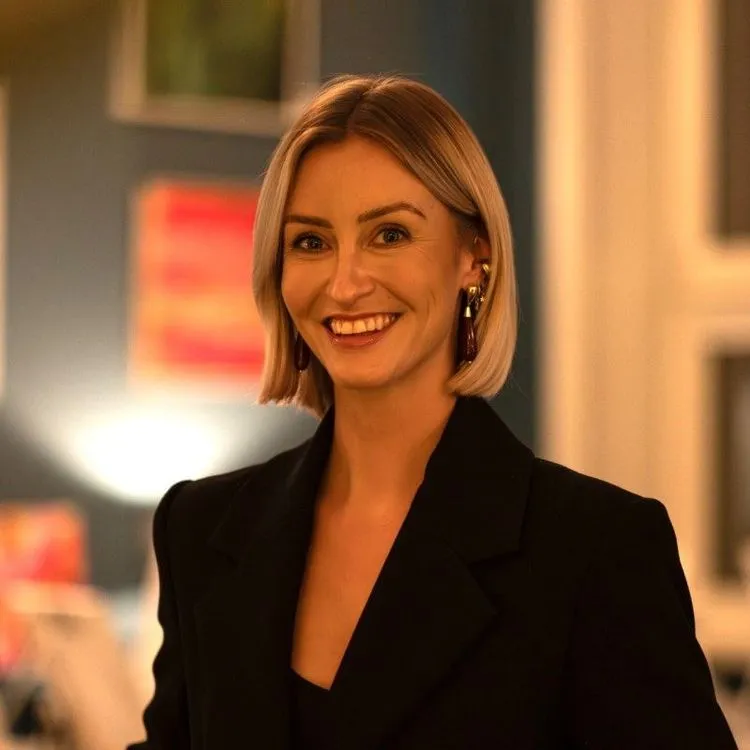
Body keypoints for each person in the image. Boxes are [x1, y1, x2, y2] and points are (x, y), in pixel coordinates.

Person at [128, 74, 737, 749]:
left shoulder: (596, 551)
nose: (345, 284)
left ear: (474, 257)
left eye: (389, 234)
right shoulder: (200, 530)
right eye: (311, 242)